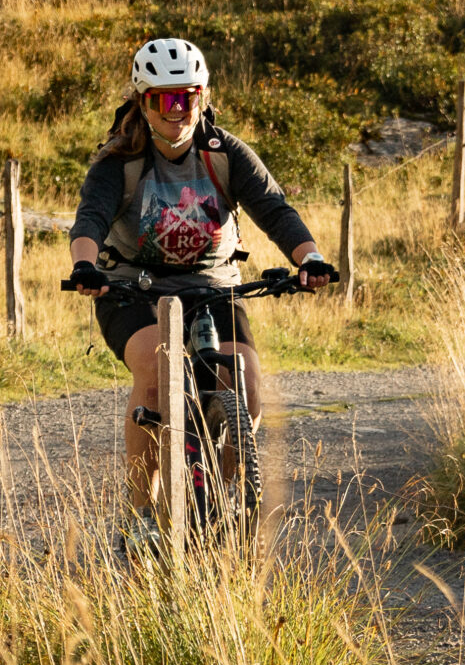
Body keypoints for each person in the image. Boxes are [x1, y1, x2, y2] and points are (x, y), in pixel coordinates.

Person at [68, 38, 335, 532]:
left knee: (246, 384)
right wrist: (85, 267)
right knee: (154, 369)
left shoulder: (225, 153)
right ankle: (139, 513)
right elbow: (91, 219)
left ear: (203, 97)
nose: (177, 110)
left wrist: (310, 257)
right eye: (163, 99)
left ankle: (221, 498)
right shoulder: (120, 159)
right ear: (142, 102)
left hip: (213, 285)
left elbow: (274, 209)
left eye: (188, 97)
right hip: (131, 288)